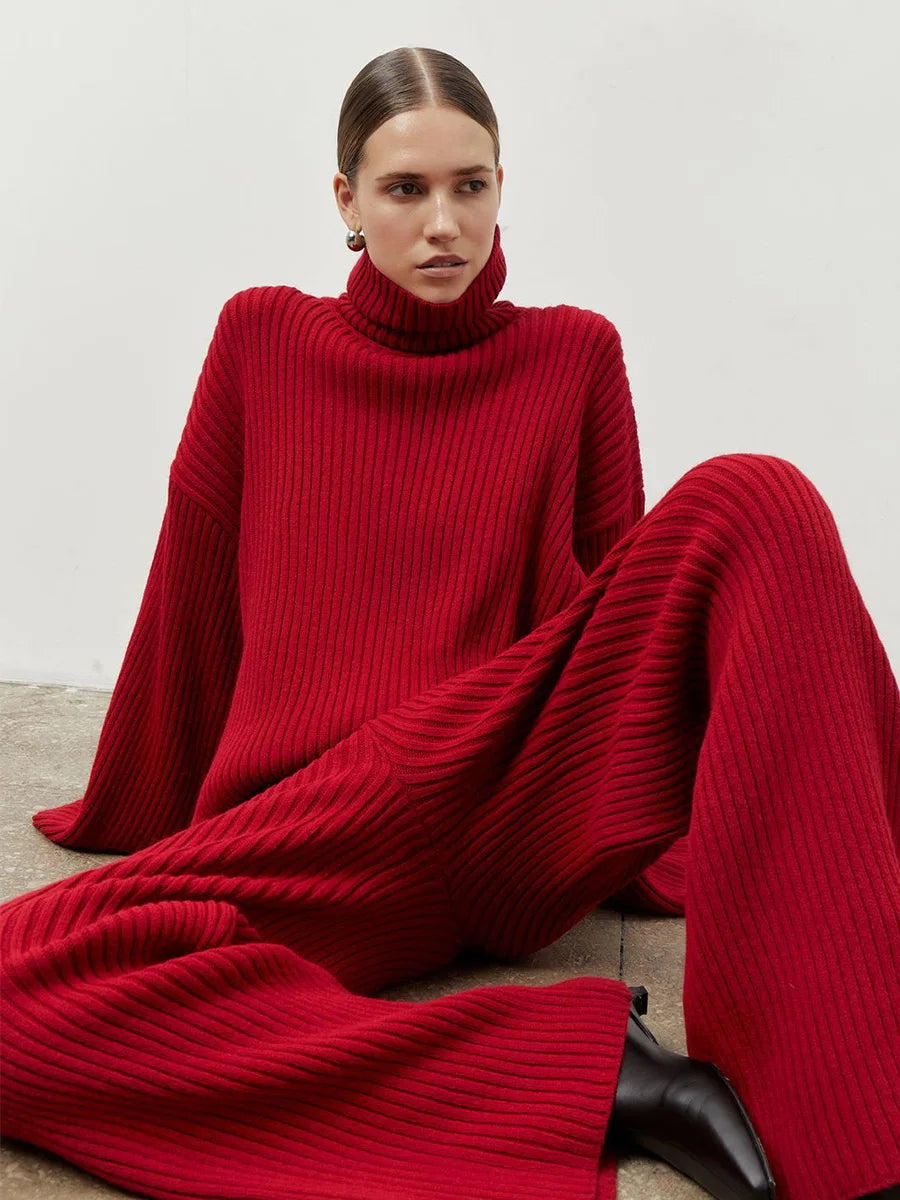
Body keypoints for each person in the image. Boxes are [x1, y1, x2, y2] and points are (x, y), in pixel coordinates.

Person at [1, 44, 898, 1200]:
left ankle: (857, 1132)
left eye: (471, 186)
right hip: (324, 839)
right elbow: (195, 594)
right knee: (14, 994)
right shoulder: (260, 339)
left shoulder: (573, 354)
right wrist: (142, 815)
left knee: (755, 495)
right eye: (406, 189)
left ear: (501, 186)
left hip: (506, 802)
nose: (444, 225)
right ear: (346, 200)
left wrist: (647, 853)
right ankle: (608, 1077)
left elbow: (615, 630)